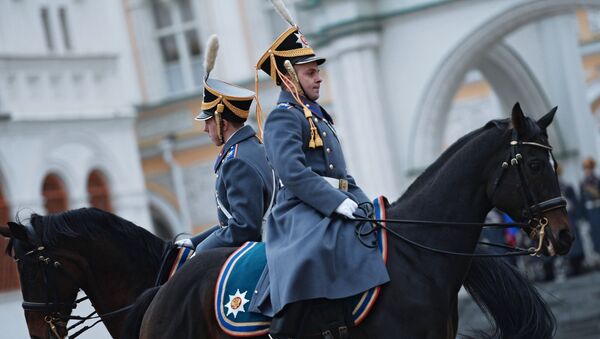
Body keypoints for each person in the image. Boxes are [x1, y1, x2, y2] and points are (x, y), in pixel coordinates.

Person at [248, 12, 389, 338]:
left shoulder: (317, 117)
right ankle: (288, 329)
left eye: (317, 71)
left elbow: (342, 174)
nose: (318, 78)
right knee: (311, 253)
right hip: (299, 212)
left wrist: (365, 203)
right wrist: (335, 203)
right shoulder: (282, 117)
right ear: (288, 78)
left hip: (335, 200)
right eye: (310, 72)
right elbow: (292, 172)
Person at [176, 35, 275, 254]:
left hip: (256, 254)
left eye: (208, 121)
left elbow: (244, 228)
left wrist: (200, 253)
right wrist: (194, 241)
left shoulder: (237, 161)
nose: (204, 129)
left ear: (223, 121)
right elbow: (231, 221)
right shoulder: (252, 149)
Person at [579, 157, 600, 261]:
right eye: (586, 168)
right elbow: (582, 200)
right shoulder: (583, 183)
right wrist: (583, 215)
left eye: (589, 168)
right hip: (590, 210)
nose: (587, 170)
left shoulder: (597, 180)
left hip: (598, 207)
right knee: (594, 233)